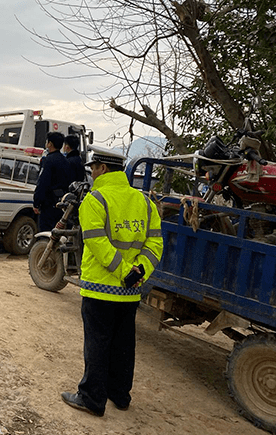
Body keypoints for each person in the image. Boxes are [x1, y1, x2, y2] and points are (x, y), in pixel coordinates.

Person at [61, 145, 163, 417]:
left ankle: (92, 398)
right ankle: (120, 395)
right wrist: (138, 272)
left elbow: (97, 242)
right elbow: (155, 242)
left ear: (103, 168)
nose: (92, 174)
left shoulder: (95, 200)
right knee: (123, 344)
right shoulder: (144, 201)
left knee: (97, 343)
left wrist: (122, 272)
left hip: (100, 289)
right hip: (130, 292)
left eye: (93, 168)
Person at [33, 132, 73, 232]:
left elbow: (43, 182)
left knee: (45, 233)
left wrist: (37, 202)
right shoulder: (66, 161)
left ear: (50, 144)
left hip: (48, 203)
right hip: (62, 202)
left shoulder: (48, 161)